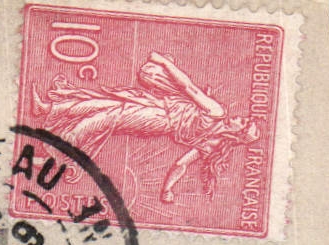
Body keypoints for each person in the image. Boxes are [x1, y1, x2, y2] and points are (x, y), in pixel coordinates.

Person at [32, 52, 260, 202]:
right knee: (107, 103)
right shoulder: (213, 136)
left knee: (106, 117)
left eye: (244, 123)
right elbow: (181, 164)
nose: (241, 118)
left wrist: (165, 63)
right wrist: (167, 190)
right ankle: (50, 109)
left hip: (159, 118)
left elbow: (189, 88)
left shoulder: (216, 117)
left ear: (237, 134)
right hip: (159, 106)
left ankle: (55, 153)